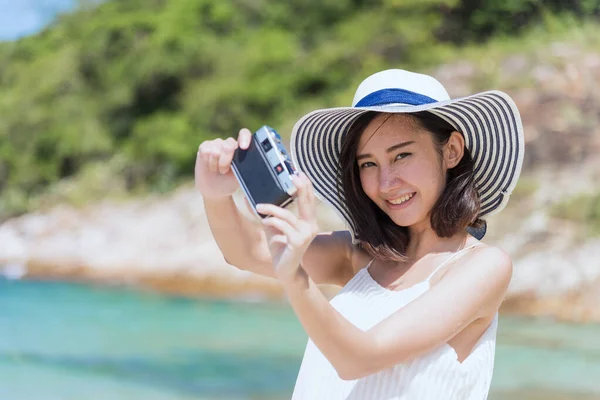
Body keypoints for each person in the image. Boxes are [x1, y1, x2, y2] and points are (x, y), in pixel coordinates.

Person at [195, 69, 524, 400]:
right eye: (368, 164)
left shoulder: (482, 267)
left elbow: (360, 358)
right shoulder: (358, 256)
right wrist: (214, 195)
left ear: (451, 150)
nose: (385, 183)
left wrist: (295, 276)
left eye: (401, 155)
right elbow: (247, 252)